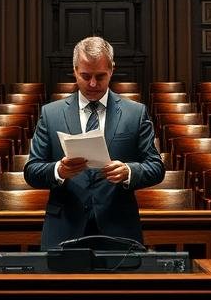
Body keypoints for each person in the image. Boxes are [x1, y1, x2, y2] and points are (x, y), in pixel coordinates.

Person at [24, 36, 164, 248]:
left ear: (112, 70)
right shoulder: (50, 114)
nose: (92, 84)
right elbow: (32, 171)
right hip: (64, 229)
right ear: (74, 71)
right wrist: (58, 171)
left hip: (119, 229)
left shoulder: (135, 113)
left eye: (100, 76)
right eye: (85, 76)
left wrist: (129, 171)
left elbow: (156, 167)